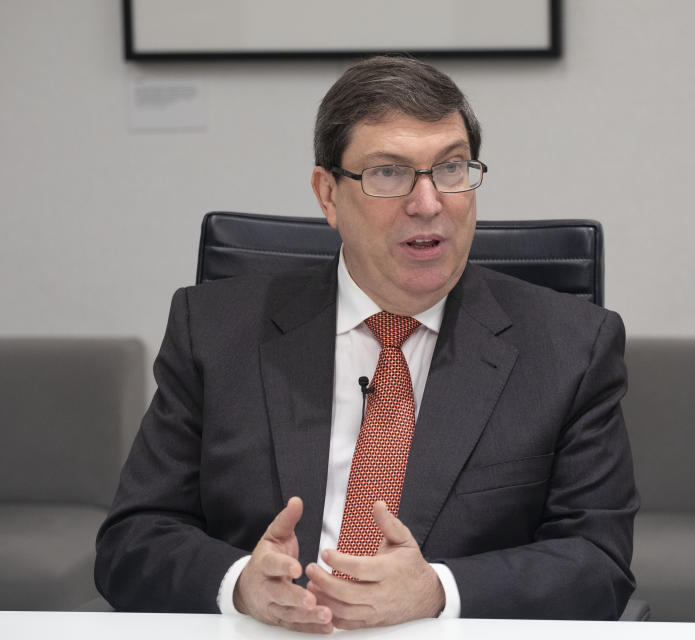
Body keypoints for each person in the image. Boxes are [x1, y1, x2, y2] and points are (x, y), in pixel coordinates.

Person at [95, 56, 639, 633]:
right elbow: (134, 538)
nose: (429, 202)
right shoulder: (215, 331)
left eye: (451, 168)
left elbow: (597, 562)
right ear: (327, 195)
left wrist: (438, 591)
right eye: (388, 173)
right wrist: (239, 585)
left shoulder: (570, 347)